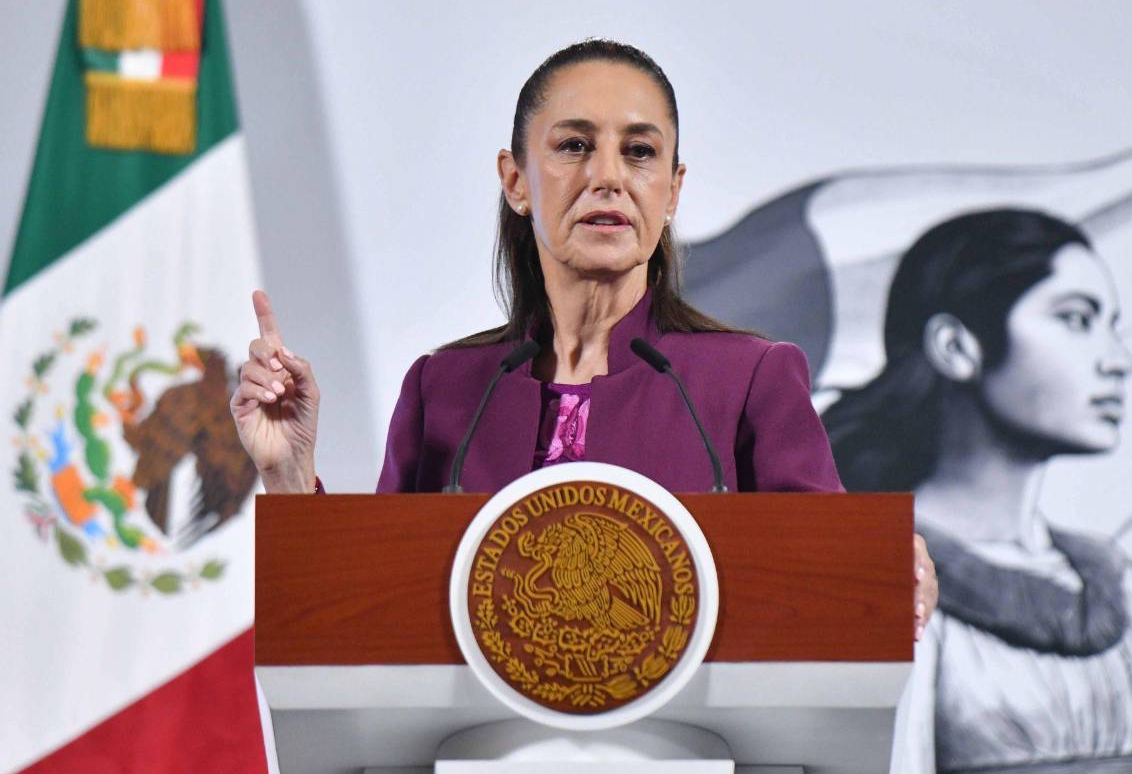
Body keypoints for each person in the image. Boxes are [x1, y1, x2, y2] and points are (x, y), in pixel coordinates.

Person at [229, 39, 937, 638]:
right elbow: (366, 623)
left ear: (672, 190)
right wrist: (288, 476)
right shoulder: (443, 390)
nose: (607, 177)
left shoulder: (749, 381)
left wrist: (880, 576)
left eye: (639, 152)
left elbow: (831, 590)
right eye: (574, 146)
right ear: (516, 180)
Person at [822, 209, 1132, 773]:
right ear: (956, 346)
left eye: (1110, 325)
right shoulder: (882, 575)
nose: (1118, 361)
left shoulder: (1110, 578)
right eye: (1076, 319)